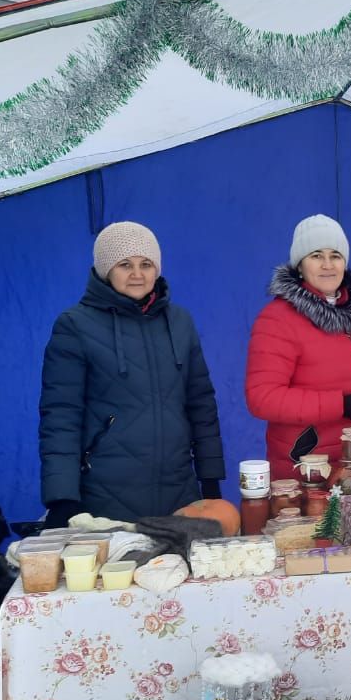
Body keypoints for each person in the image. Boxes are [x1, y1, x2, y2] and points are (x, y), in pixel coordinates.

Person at [39, 221, 225, 526]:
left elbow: (201, 404)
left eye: (146, 264)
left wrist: (211, 479)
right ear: (105, 270)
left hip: (179, 495)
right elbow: (61, 416)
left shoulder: (180, 322)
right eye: (125, 264)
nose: (137, 274)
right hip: (104, 498)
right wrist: (62, 498)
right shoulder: (75, 325)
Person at [245, 215, 351, 478]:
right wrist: (340, 405)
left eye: (335, 255)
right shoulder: (278, 318)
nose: (327, 265)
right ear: (300, 265)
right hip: (307, 468)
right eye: (316, 255)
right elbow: (262, 397)